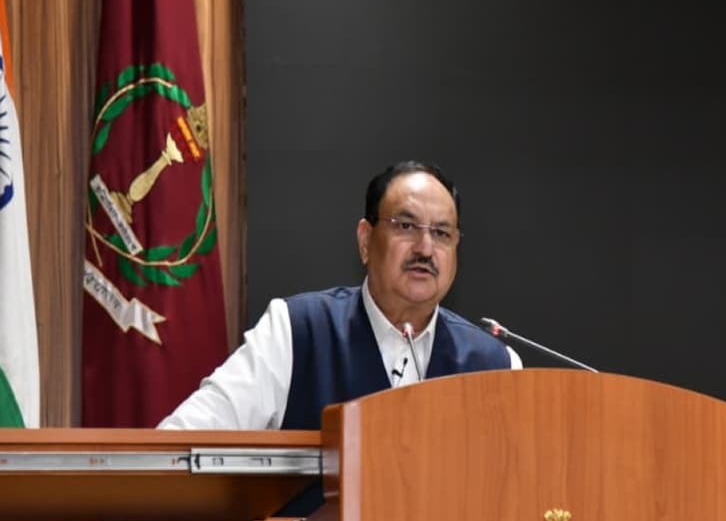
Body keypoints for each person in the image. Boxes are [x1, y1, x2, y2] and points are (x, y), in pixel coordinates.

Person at [159, 161, 521, 433]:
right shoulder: (296, 331)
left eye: (442, 233)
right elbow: (185, 441)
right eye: (406, 226)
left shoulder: (496, 364)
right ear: (366, 240)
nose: (425, 248)